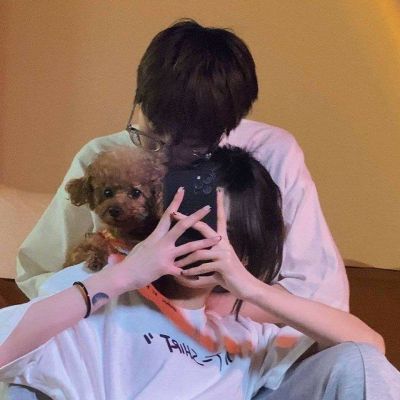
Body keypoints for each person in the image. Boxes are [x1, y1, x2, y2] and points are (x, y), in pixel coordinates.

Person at [8, 19, 400, 399]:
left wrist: (231, 293)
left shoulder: (267, 158)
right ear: (138, 100)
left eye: (188, 146)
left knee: (359, 363)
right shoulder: (105, 160)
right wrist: (124, 280)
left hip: (248, 368)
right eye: (151, 134)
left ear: (227, 128)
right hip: (115, 332)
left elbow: (329, 304)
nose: (165, 153)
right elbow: (42, 271)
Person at [0, 148, 396, 400]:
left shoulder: (246, 332)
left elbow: (366, 353)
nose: (201, 242)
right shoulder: (98, 292)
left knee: (358, 360)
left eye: (224, 233)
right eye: (190, 223)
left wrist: (251, 289)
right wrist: (126, 275)